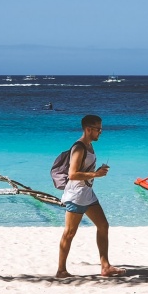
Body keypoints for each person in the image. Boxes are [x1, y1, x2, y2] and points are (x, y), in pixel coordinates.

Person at [56, 115, 125, 278]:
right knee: (70, 232)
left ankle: (105, 266)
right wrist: (96, 174)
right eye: (98, 129)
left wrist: (97, 171)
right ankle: (61, 270)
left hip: (87, 194)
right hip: (77, 195)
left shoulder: (89, 146)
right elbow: (72, 174)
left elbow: (84, 169)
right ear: (88, 129)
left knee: (103, 225)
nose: (100, 132)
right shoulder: (79, 147)